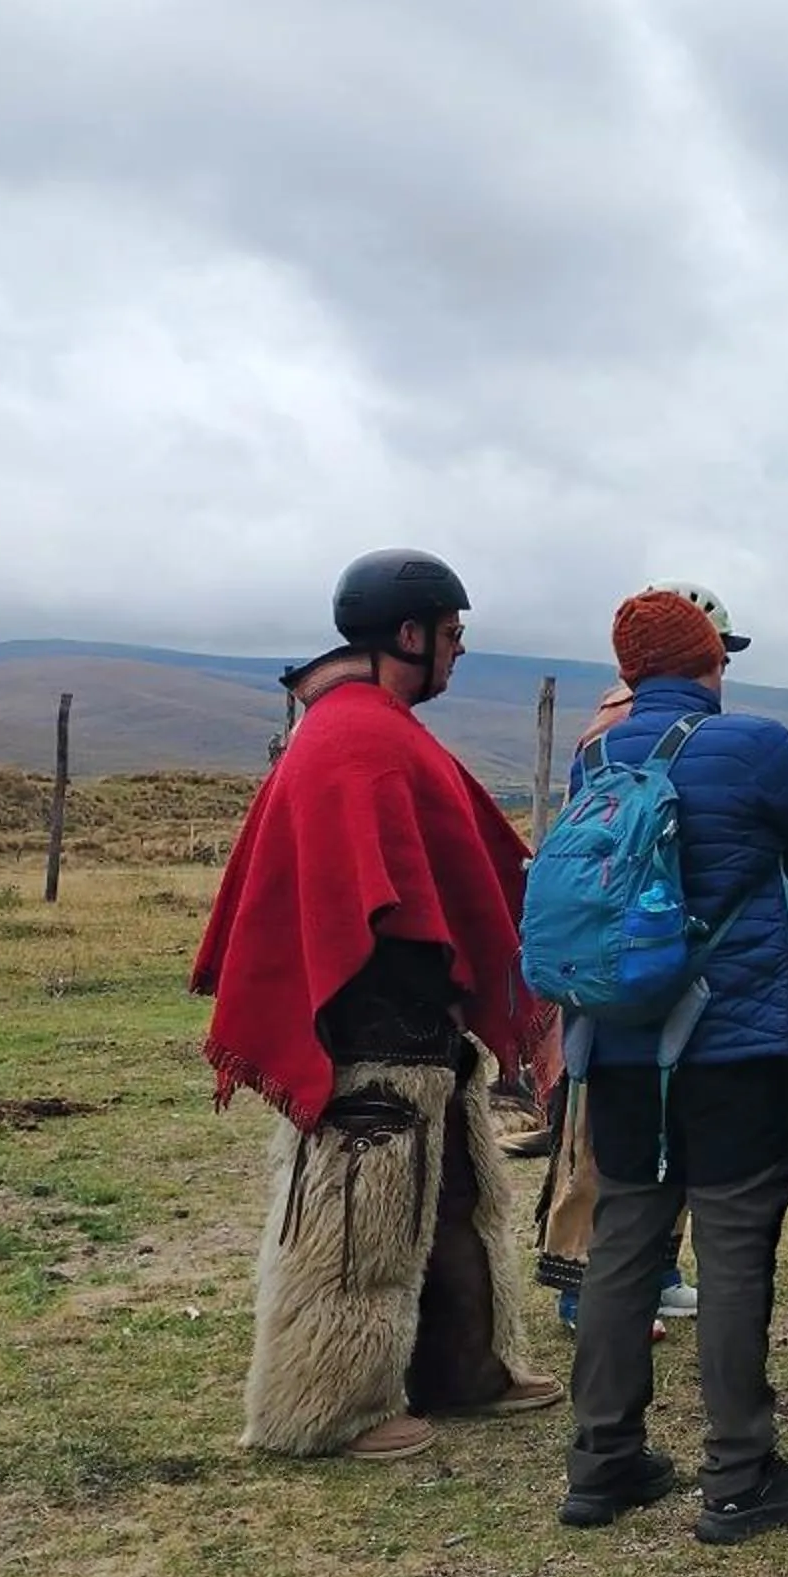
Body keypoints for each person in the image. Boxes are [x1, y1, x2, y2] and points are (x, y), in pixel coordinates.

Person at [191, 547, 564, 1464]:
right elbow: (355, 899)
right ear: (410, 634)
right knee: (360, 1216)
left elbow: (453, 866)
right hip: (373, 1026)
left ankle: (463, 1367)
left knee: (450, 1198)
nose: (460, 651)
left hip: (417, 1022)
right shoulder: (356, 737)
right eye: (452, 634)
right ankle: (323, 1408)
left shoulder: (369, 726)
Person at [558, 588, 788, 1545]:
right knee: (732, 1257)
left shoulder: (593, 756)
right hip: (739, 1042)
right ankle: (738, 1474)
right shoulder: (757, 746)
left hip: (624, 1042)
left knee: (625, 1245)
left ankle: (601, 1464)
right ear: (712, 662)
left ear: (629, 673)